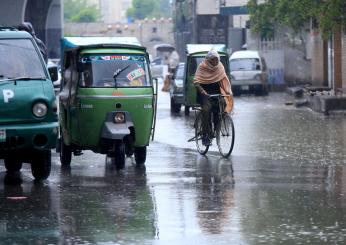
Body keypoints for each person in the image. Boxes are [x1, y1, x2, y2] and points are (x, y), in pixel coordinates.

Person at [194, 49, 233, 146]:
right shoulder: (202, 66)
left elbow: (223, 79)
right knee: (206, 110)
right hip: (204, 93)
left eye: (216, 60)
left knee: (222, 106)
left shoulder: (219, 67)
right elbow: (196, 82)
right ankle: (206, 135)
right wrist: (203, 92)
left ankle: (217, 125)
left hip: (216, 92)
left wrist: (228, 91)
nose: (215, 62)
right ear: (208, 60)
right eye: (213, 60)